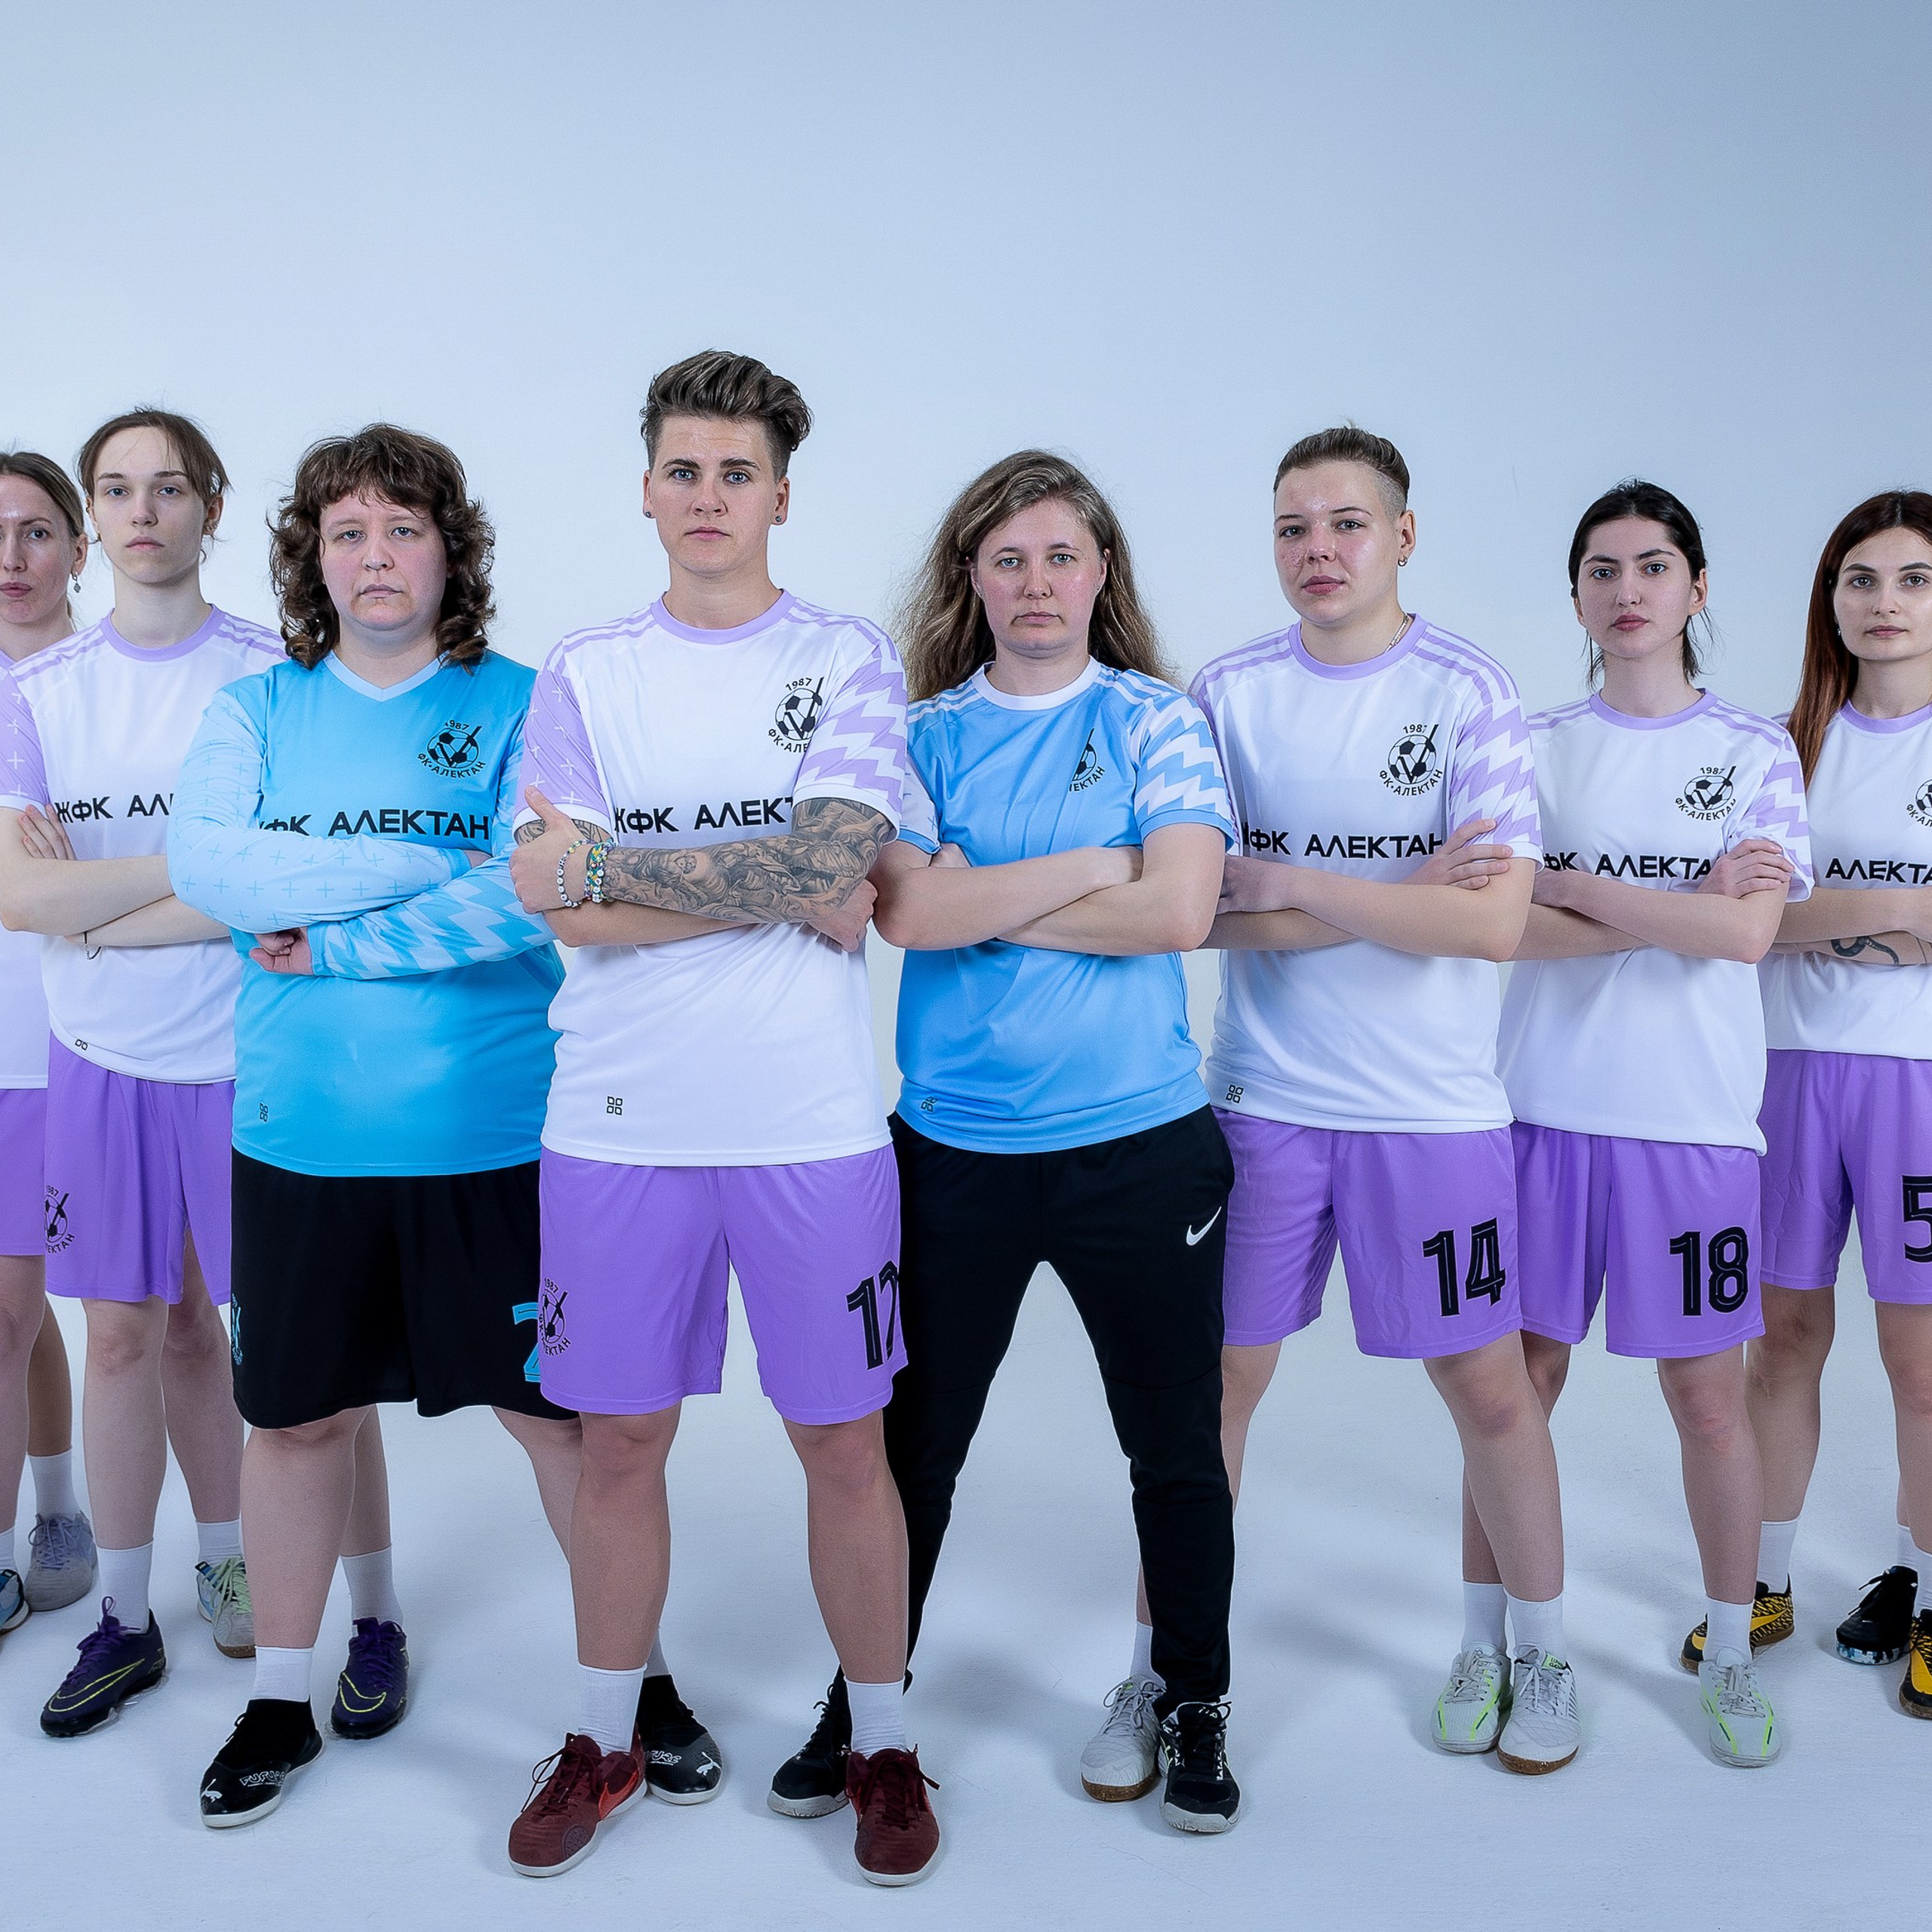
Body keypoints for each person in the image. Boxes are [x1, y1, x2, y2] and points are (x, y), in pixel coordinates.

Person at [506, 349, 937, 1885]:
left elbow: (839, 870)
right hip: (615, 1124)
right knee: (618, 1438)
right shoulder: (585, 670)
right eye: (681, 469)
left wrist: (629, 873)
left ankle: (882, 1742)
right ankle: (602, 1734)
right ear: (644, 487)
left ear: (778, 493)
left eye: (733, 472)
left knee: (842, 1437)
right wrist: (766, 883)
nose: (706, 497)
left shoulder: (850, 658)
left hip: (810, 1122)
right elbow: (552, 897)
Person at [777, 448, 1244, 1834]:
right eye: (1007, 560)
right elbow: (908, 916)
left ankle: (1196, 1703)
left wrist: (992, 893)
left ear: (1103, 574)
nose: (1036, 585)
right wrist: (1105, 861)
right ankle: (869, 1711)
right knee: (912, 1450)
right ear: (968, 579)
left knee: (1175, 1454)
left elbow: (1179, 916)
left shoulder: (1160, 719)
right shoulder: (916, 735)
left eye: (1061, 558)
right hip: (954, 1157)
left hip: (1142, 1149)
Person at [169, 424, 598, 1825]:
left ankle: (624, 1694)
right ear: (310, 556)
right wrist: (423, 857)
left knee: (561, 1428)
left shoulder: (534, 702)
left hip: (497, 1135)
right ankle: (280, 1699)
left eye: (401, 529)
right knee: (297, 1424)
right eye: (346, 532)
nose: (374, 556)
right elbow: (213, 868)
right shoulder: (254, 710)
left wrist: (333, 923)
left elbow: (526, 891)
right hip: (302, 1138)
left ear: (449, 548)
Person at [1185, 425, 1580, 1774]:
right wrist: (1408, 895)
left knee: (1487, 1388)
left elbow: (1491, 928)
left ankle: (1528, 1649)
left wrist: (1288, 882)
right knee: (1216, 1394)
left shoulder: (1473, 692)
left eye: (1346, 524)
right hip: (1262, 1105)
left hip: (1432, 1113)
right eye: (1294, 528)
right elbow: (1195, 916)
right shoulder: (1227, 692)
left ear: (1403, 536)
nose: (1318, 552)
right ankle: (1172, 1676)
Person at [1492, 481, 1810, 1766]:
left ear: (1697, 588)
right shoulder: (1530, 741)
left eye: (1655, 565)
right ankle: (1513, 1647)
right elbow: (1504, 926)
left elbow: (1745, 934)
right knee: (1514, 1393)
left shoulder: (1755, 749)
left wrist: (1575, 884)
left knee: (1708, 1401)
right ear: (1576, 594)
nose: (1628, 589)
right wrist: (1660, 898)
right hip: (1539, 1118)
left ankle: (1732, 1656)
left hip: (1692, 1130)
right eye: (1603, 568)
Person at [0, 410, 276, 1735]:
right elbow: (14, 895)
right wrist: (190, 872)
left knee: (217, 1332)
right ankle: (122, 1612)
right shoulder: (41, 692)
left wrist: (93, 899)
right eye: (117, 489)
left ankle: (229, 1551)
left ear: (209, 506)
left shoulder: (270, 675)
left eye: (169, 487)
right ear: (94, 518)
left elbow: (271, 888)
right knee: (115, 1333)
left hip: (238, 1052)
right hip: (96, 1052)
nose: (143, 510)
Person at [1747, 490, 1932, 1722]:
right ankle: (1758, 1582)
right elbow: (1745, 921)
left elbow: (1782, 915)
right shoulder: (1782, 744)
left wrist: (1819, 918)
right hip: (1781, 1072)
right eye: (1860, 579)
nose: (1883, 603)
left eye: (1913, 579)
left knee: (1920, 1359)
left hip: (1917, 1082)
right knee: (1785, 1341)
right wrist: (1902, 918)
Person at [0, 451, 97, 1634]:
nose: (11, 558)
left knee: (146, 1311)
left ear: (77, 547)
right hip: (6, 1051)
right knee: (8, 1309)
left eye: (33, 531)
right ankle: (31, 1527)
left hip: (128, 1043)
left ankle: (68, 1503)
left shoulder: (105, 686)